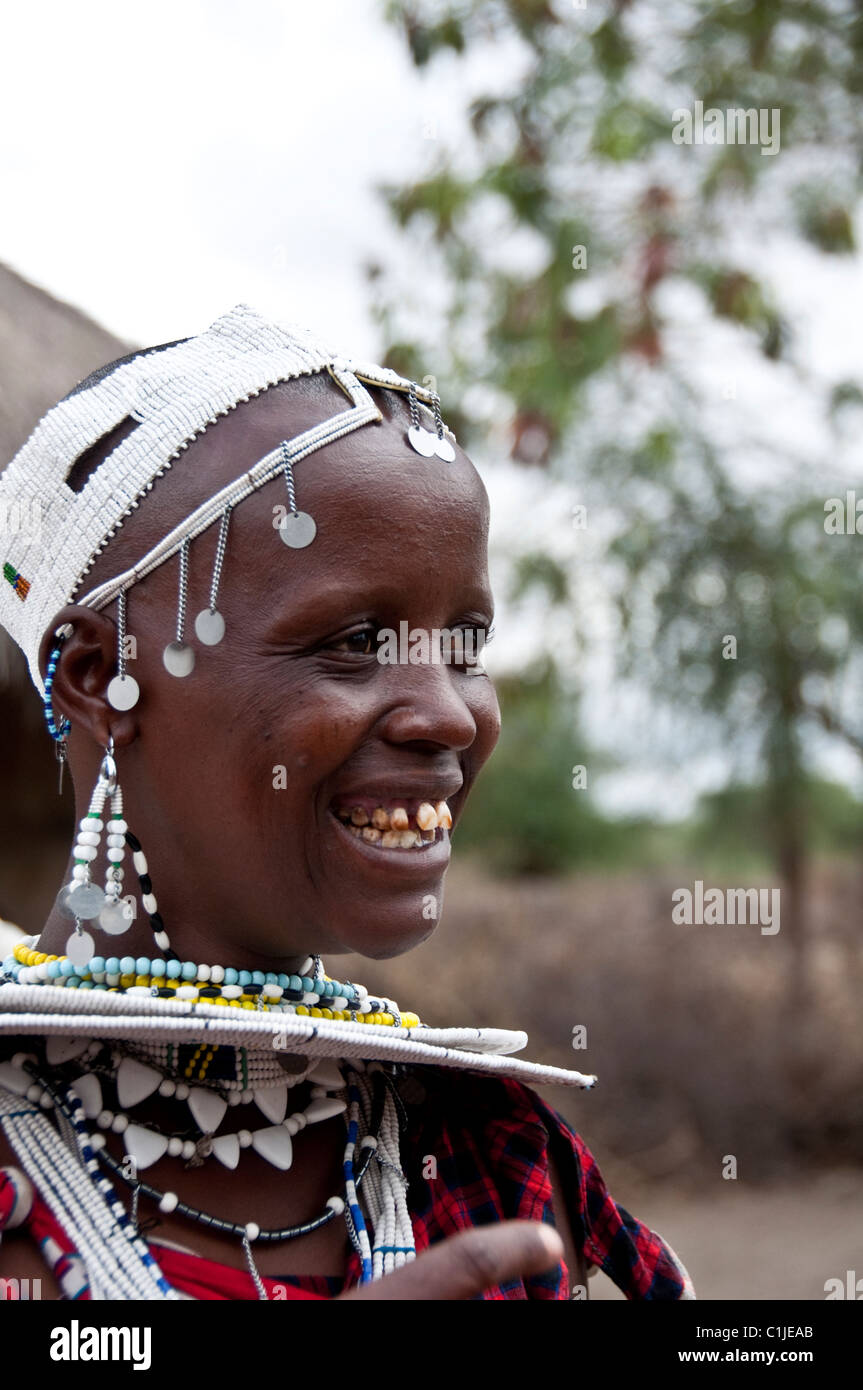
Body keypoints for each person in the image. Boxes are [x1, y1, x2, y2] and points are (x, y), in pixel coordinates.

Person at [0, 304, 694, 1300]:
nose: (449, 714)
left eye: (465, 646)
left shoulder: (488, 1159)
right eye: (356, 641)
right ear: (97, 675)